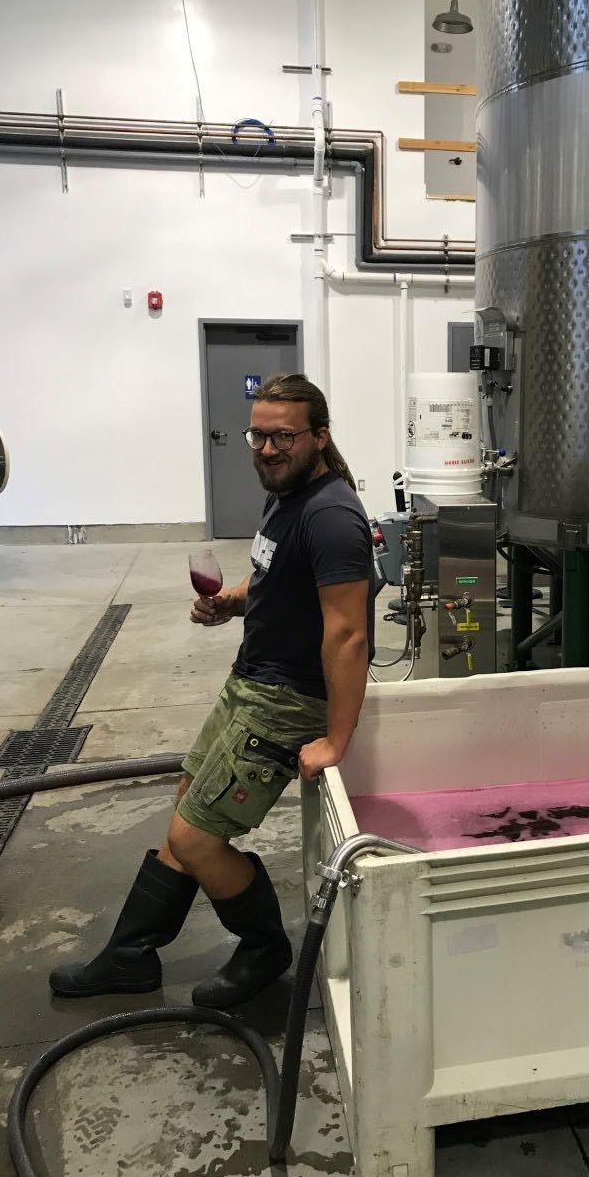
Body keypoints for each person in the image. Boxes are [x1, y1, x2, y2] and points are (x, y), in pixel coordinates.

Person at [50, 372, 373, 1008]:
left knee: (197, 838)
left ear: (319, 436)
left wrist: (337, 739)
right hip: (251, 681)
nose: (268, 449)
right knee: (185, 813)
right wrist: (232, 601)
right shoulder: (287, 496)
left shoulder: (331, 515)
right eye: (259, 435)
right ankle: (130, 956)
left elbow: (348, 634)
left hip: (286, 701)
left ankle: (263, 947)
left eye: (284, 436)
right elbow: (279, 583)